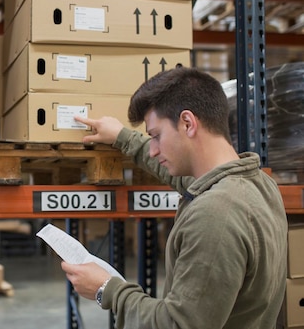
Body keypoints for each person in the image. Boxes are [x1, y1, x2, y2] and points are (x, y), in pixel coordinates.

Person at [62, 67, 288, 329]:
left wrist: (106, 289)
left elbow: (178, 324)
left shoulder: (216, 214)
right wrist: (123, 138)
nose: (155, 150)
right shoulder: (259, 185)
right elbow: (184, 179)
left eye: (157, 136)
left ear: (188, 123)